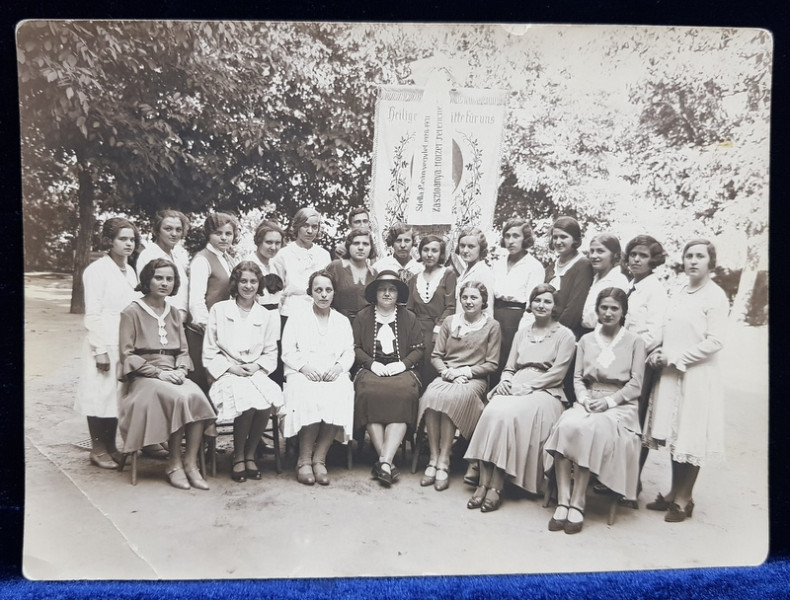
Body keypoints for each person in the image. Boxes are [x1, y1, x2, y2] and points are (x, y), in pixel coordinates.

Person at [464, 284, 576, 512]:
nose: (541, 305)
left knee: (509, 414)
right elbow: (509, 366)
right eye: (537, 300)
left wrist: (528, 387)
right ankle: (483, 481)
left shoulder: (565, 335)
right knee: (492, 410)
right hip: (516, 384)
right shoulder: (522, 332)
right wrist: (506, 381)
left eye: (547, 301)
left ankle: (496, 485)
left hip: (546, 391)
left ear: (555, 306)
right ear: (531, 304)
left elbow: (558, 373)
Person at [544, 288, 646, 534]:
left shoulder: (635, 342)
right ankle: (563, 501)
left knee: (589, 428)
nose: (609, 313)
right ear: (597, 310)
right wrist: (584, 398)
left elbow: (636, 384)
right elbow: (578, 377)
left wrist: (610, 402)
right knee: (566, 424)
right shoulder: (587, 340)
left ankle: (578, 503)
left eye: (614, 308)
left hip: (620, 406)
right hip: (589, 399)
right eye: (604, 307)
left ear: (623, 312)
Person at [642, 239, 729, 523]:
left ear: (710, 262)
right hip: (669, 371)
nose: (693, 261)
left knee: (690, 434)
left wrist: (677, 357)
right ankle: (671, 492)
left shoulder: (715, 296)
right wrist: (658, 350)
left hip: (696, 374)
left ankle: (684, 498)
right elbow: (667, 327)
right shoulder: (678, 289)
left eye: (699, 256)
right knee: (672, 433)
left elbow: (715, 341)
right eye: (689, 255)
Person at [118, 259, 217, 490]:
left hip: (173, 373)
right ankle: (173, 463)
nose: (164, 283)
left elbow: (183, 350)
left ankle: (190, 463)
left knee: (197, 395)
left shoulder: (173, 313)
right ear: (147, 280)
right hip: (143, 379)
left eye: (169, 279)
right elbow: (127, 355)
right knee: (179, 397)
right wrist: (158, 373)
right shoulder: (131, 312)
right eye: (158, 277)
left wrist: (181, 369)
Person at [203, 261, 284, 483]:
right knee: (246, 402)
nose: (248, 286)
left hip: (254, 370)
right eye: (243, 281)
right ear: (235, 283)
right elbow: (210, 350)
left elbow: (270, 351)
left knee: (267, 400)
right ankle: (238, 455)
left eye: (253, 282)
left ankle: (250, 454)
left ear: (260, 285)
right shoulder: (220, 310)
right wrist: (231, 368)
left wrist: (257, 366)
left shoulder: (265, 315)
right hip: (227, 370)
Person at [416, 281, 501, 491]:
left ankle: (445, 459)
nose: (469, 301)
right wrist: (447, 372)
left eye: (474, 298)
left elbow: (492, 363)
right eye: (465, 297)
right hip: (448, 375)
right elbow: (436, 355)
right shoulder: (450, 322)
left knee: (452, 400)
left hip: (474, 379)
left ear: (483, 301)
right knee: (430, 395)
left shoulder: (492, 326)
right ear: (460, 300)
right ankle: (433, 458)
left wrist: (465, 372)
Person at [75, 217, 141, 469]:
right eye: (122, 239)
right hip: (102, 339)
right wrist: (99, 350)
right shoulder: (96, 271)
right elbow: (92, 313)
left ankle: (112, 445)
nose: (128, 244)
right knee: (98, 394)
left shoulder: (131, 270)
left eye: (131, 239)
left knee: (117, 394)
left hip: (124, 341)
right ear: (109, 241)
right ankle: (98, 448)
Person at [281, 269, 355, 486]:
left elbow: (348, 352)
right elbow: (288, 351)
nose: (323, 295)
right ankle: (304, 460)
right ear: (310, 292)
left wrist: (339, 368)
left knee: (342, 390)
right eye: (318, 290)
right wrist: (304, 367)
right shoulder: (297, 318)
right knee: (308, 393)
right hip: (302, 372)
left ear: (334, 293)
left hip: (332, 372)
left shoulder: (341, 321)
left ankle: (320, 458)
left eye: (328, 290)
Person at [353, 271, 424, 486]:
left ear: (398, 294)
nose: (386, 293)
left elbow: (418, 349)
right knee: (369, 392)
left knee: (404, 392)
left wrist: (402, 364)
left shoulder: (409, 318)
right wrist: (371, 363)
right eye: (382, 289)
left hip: (401, 370)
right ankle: (387, 463)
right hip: (370, 370)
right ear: (374, 293)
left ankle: (383, 461)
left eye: (391, 289)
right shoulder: (363, 316)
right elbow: (354, 348)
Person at [621, 234, 668, 504]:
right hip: (622, 359)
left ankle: (631, 484)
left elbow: (654, 333)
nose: (636, 259)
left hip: (639, 362)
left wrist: (629, 352)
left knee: (634, 421)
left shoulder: (655, 290)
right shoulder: (632, 286)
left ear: (654, 261)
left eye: (643, 255)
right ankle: (616, 477)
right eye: (633, 254)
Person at [186, 212, 240, 392]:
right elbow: (196, 301)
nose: (224, 237)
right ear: (209, 234)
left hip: (223, 331)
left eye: (228, 233)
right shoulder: (202, 259)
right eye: (218, 233)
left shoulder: (228, 259)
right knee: (202, 385)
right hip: (203, 334)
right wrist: (210, 329)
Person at [492, 218, 544, 384]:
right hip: (495, 315)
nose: (511, 241)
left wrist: (522, 331)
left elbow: (532, 304)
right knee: (493, 359)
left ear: (526, 239)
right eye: (507, 236)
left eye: (516, 236)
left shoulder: (534, 266)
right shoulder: (498, 264)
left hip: (517, 319)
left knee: (510, 361)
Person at [406, 234, 457, 386]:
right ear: (420, 252)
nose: (429, 254)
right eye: (425, 250)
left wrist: (438, 328)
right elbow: (409, 309)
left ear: (441, 253)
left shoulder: (449, 274)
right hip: (416, 330)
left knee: (432, 367)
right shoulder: (414, 279)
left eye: (434, 250)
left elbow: (451, 306)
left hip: (439, 330)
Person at [272, 207, 332, 323]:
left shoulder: (324, 255)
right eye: (305, 225)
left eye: (314, 227)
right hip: (290, 313)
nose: (310, 231)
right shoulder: (283, 254)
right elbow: (276, 291)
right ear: (297, 226)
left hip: (317, 314)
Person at [542, 216, 594, 339]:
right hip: (543, 332)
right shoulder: (550, 268)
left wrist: (551, 336)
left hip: (566, 336)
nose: (558, 241)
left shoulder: (583, 266)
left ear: (575, 239)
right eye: (555, 237)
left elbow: (574, 311)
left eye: (564, 237)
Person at [136, 209, 190, 324]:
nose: (174, 234)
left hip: (178, 322)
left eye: (178, 230)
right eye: (168, 229)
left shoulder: (178, 256)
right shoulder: (150, 255)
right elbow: (147, 294)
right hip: (160, 321)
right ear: (157, 230)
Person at [325, 227, 378, 324]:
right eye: (356, 243)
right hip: (337, 325)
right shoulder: (336, 267)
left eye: (365, 244)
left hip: (365, 327)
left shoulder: (374, 274)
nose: (361, 247)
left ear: (371, 248)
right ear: (349, 246)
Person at [580, 234, 629, 335]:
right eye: (592, 251)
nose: (593, 256)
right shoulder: (593, 278)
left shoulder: (618, 280)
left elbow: (605, 317)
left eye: (600, 251)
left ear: (614, 255)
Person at [246, 220, 286, 311]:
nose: (273, 247)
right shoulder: (248, 265)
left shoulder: (275, 266)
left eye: (277, 243)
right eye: (269, 242)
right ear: (259, 241)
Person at [455, 226, 494, 317]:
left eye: (471, 246)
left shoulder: (483, 273)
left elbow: (488, 310)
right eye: (462, 246)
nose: (465, 250)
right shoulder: (465, 271)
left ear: (481, 248)